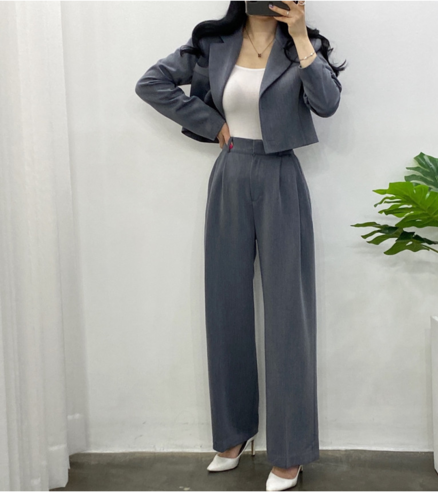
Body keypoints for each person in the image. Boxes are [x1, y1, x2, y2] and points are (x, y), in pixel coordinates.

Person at [135, 1, 345, 490]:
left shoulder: (300, 47)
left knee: (289, 316)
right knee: (226, 306)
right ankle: (232, 434)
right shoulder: (214, 43)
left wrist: (300, 36)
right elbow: (151, 83)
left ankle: (290, 451)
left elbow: (327, 104)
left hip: (281, 176)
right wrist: (210, 123)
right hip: (230, 174)